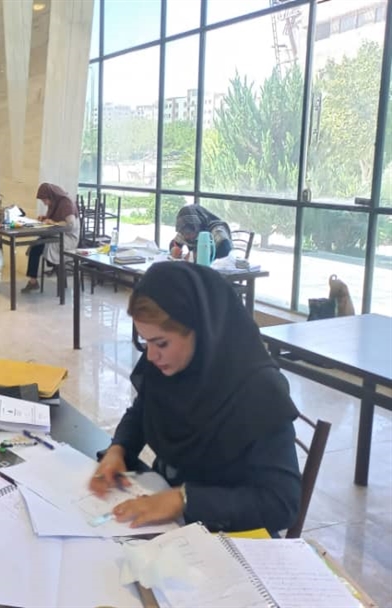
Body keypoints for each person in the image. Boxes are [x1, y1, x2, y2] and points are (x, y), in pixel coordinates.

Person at [89, 263, 301, 535]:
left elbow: (281, 503)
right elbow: (143, 411)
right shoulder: (172, 367)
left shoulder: (259, 390)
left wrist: (184, 500)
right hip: (169, 515)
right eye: (145, 342)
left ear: (202, 330)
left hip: (229, 531)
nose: (151, 356)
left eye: (161, 343)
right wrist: (119, 449)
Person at [22, 183, 80, 293]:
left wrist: (53, 222)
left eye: (45, 200)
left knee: (38, 247)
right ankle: (33, 281)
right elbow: (56, 218)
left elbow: (70, 225)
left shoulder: (66, 203)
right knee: (35, 246)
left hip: (68, 238)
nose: (44, 203)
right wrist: (45, 218)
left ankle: (41, 277)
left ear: (51, 196)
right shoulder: (55, 202)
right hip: (57, 234)